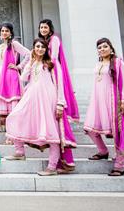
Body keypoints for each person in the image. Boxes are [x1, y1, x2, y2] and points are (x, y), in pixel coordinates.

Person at [5, 38, 76, 176]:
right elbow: (23, 78)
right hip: (31, 98)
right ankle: (19, 152)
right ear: (33, 48)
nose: (40, 49)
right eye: (37, 46)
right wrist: (30, 62)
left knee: (51, 131)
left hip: (48, 99)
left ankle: (52, 167)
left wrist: (60, 103)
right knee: (14, 117)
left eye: (42, 47)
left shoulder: (52, 64)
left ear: (46, 50)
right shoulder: (33, 62)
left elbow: (60, 84)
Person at [84, 38, 124, 176]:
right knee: (89, 128)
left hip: (113, 100)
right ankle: (103, 151)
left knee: (118, 131)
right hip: (98, 102)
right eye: (99, 47)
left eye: (105, 46)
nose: (102, 49)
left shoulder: (117, 62)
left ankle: (120, 165)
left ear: (111, 48)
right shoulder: (98, 64)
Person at [38, 19, 78, 171]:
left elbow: (54, 56)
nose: (43, 29)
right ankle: (62, 162)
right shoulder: (44, 43)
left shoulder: (54, 40)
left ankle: (67, 162)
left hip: (53, 73)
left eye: (45, 27)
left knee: (60, 125)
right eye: (41, 27)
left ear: (50, 28)